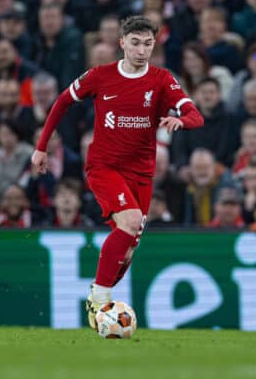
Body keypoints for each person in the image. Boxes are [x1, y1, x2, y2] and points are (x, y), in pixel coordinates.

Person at [30, 16, 204, 329]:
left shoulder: (162, 79)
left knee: (128, 249)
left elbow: (195, 115)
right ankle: (99, 297)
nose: (141, 50)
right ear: (121, 42)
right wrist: (42, 147)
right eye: (135, 42)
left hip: (142, 173)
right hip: (104, 167)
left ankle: (99, 308)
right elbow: (61, 102)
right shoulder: (100, 76)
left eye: (148, 43)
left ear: (154, 45)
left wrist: (182, 121)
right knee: (132, 221)